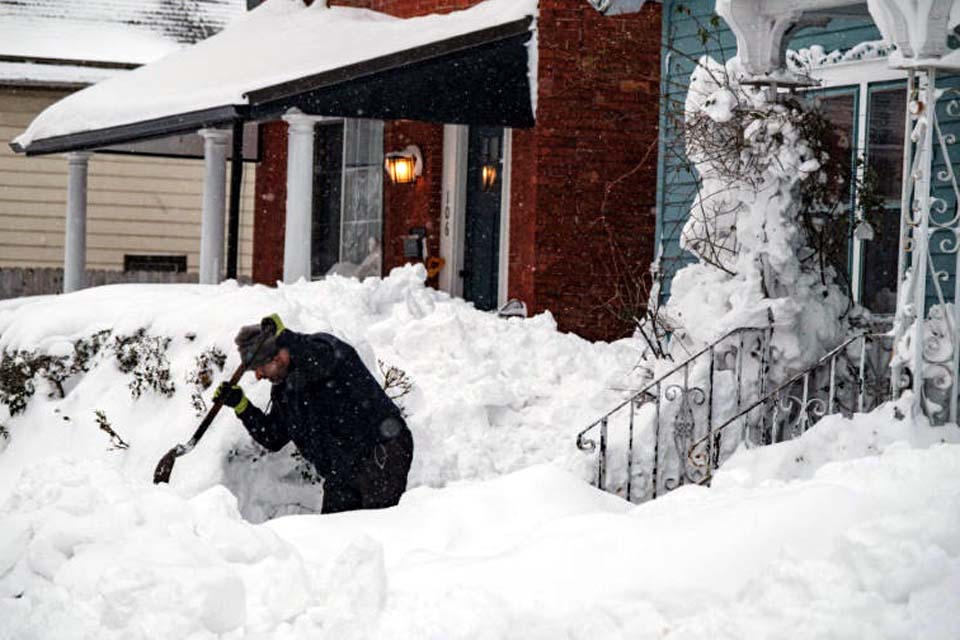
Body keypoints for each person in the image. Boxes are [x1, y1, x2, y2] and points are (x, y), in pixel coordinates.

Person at [215, 314, 413, 514]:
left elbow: (319, 362)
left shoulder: (323, 349)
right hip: (341, 469)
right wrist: (242, 406)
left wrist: (285, 337)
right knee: (333, 535)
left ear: (278, 356)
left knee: (377, 529)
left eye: (259, 368)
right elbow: (273, 437)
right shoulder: (284, 388)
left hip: (380, 451)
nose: (259, 375)